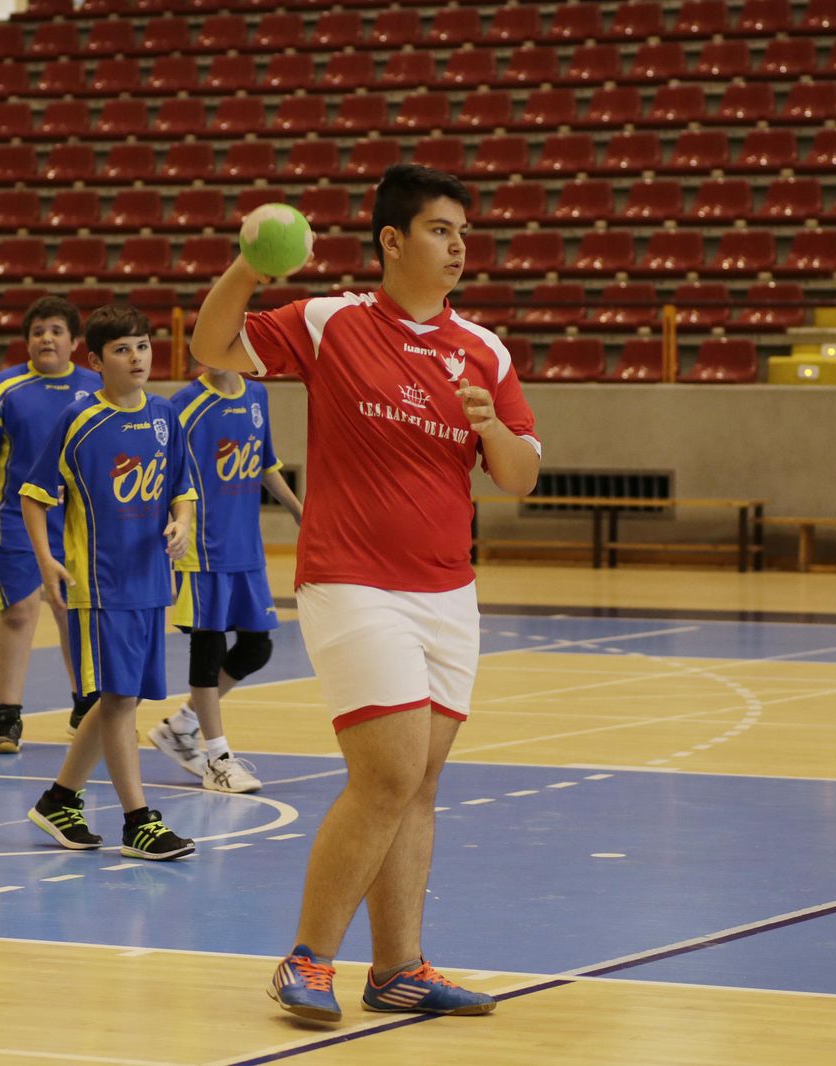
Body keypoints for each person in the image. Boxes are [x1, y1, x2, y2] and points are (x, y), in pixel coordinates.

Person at [190, 165, 542, 1020]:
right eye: (438, 229)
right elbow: (211, 347)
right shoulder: (332, 321)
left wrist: (489, 424)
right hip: (352, 582)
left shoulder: (484, 349)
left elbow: (521, 477)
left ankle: (401, 968)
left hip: (448, 593)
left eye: (463, 231)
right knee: (385, 774)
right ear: (392, 240)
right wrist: (249, 267)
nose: (457, 245)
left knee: (418, 785)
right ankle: (308, 960)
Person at [19, 305, 199, 861]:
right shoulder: (78, 420)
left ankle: (60, 798)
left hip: (152, 581)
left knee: (123, 696)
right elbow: (32, 493)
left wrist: (182, 523)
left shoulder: (166, 414)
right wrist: (47, 561)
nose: (137, 357)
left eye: (142, 346)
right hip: (99, 586)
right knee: (119, 698)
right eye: (122, 349)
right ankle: (138, 821)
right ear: (96, 361)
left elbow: (182, 486)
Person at [0, 297, 102, 753]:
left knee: (74, 615)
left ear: (74, 342)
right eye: (37, 332)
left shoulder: (97, 388)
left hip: (76, 525)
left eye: (55, 330)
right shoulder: (5, 388)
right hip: (13, 520)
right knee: (19, 613)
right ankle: (8, 716)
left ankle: (84, 705)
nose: (46, 338)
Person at [148, 368, 303, 794]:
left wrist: (296, 509)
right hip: (203, 544)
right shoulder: (183, 405)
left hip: (245, 545)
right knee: (209, 643)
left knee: (257, 646)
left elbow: (264, 463)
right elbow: (162, 471)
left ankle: (181, 727)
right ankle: (217, 758)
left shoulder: (257, 394)